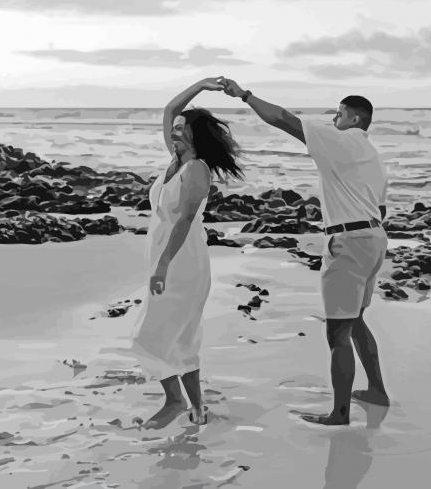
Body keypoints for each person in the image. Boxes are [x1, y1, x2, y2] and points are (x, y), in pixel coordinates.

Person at [220, 78, 389, 427]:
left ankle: (339, 414)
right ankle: (376, 391)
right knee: (355, 320)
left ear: (355, 119)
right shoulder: (374, 157)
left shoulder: (339, 140)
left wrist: (245, 95)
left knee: (337, 333)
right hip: (374, 239)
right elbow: (382, 209)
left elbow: (283, 119)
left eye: (339, 114)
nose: (334, 120)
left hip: (349, 242)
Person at [131, 77, 243, 429]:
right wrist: (202, 85)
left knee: (150, 333)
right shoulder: (175, 161)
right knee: (182, 335)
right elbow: (169, 109)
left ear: (196, 136)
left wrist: (163, 264)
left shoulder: (196, 170)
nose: (175, 131)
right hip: (166, 254)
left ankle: (175, 400)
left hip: (182, 260)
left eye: (182, 129)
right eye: (175, 129)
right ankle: (198, 409)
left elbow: (184, 220)